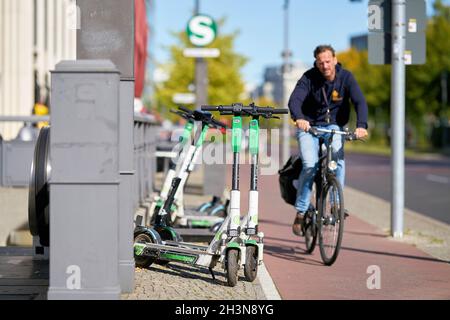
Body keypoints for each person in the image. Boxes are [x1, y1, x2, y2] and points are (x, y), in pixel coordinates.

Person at [288, 45, 369, 236]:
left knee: (337, 159)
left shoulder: (346, 77)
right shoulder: (309, 77)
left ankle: (335, 205)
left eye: (328, 61)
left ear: (334, 59)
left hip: (333, 127)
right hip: (309, 126)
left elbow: (359, 101)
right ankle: (301, 210)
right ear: (316, 62)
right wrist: (299, 117)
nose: (325, 65)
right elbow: (295, 100)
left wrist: (362, 126)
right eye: (320, 62)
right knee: (310, 164)